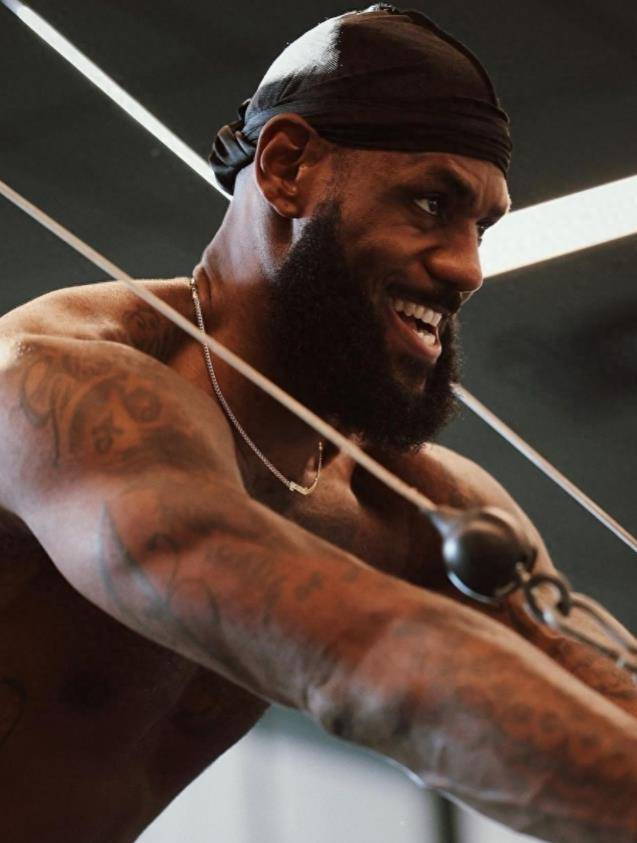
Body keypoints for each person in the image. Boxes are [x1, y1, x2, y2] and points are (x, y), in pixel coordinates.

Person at [1, 5, 636, 842]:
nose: (467, 268)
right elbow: (366, 656)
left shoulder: (406, 506)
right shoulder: (59, 390)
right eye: (430, 203)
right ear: (286, 167)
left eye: (480, 226)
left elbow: (599, 689)